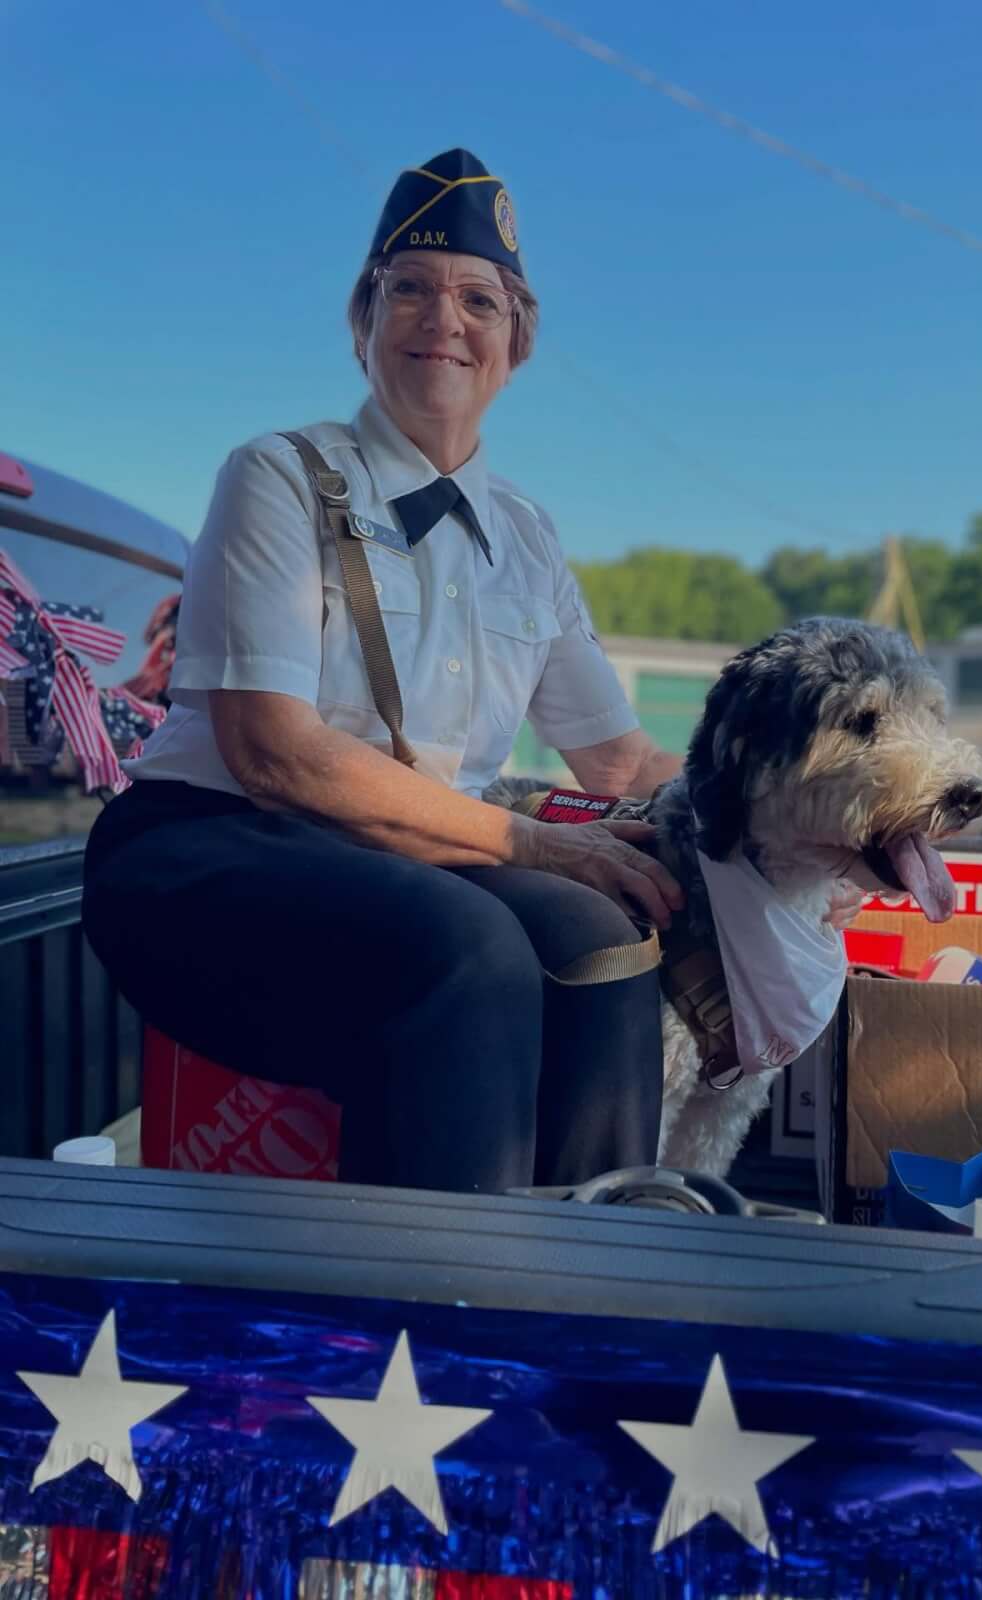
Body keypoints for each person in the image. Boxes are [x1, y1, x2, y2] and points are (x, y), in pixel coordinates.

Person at [83, 147, 861, 1196]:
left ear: (516, 343)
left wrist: (806, 818)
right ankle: (442, 1316)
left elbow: (622, 755)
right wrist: (531, 842)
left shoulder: (529, 538)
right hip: (204, 852)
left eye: (477, 298)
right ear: (364, 323)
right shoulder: (279, 475)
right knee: (475, 949)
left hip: (410, 862)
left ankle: (596, 1266)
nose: (441, 318)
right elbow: (272, 750)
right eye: (408, 288)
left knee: (607, 936)